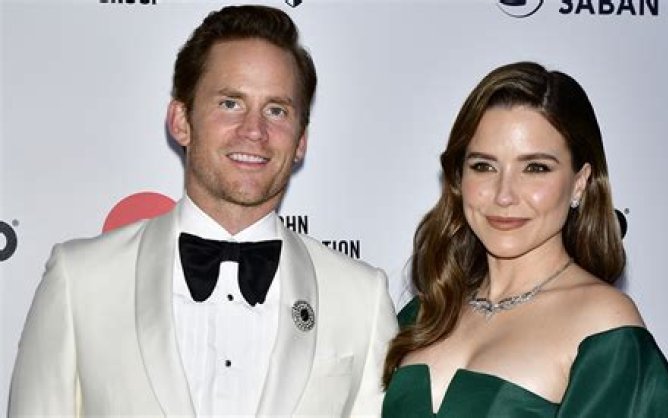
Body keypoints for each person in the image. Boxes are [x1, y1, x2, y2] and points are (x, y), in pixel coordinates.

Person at [9, 5, 397, 417]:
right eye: (231, 103)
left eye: (277, 110)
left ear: (301, 141)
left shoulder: (361, 298)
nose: (255, 131)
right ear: (181, 121)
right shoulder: (80, 280)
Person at [381, 62, 668, 417]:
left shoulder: (603, 325)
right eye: (483, 166)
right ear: (458, 177)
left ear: (579, 182)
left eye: (535, 168)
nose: (504, 195)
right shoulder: (428, 311)